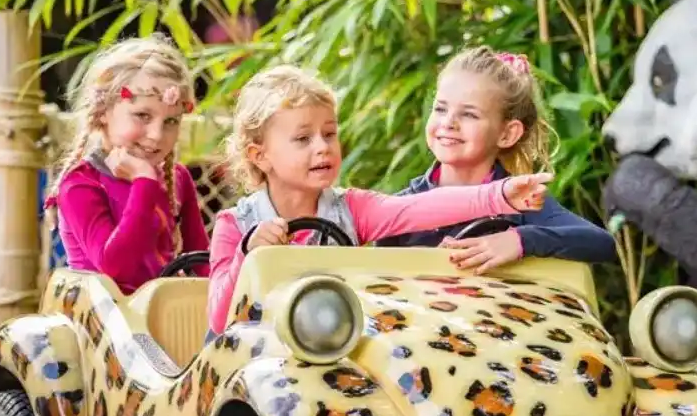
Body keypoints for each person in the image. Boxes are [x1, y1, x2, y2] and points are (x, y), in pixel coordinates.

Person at [206, 65, 553, 335]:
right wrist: (247, 252)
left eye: (329, 134)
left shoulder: (351, 209)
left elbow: (419, 208)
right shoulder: (236, 225)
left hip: (329, 352)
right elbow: (219, 319)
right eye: (302, 138)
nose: (322, 147)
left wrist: (500, 194)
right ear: (260, 155)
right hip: (255, 359)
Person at [377, 46, 617, 272]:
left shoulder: (518, 201)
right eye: (440, 109)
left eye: (469, 114)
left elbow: (602, 243)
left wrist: (520, 240)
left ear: (507, 134)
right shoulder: (403, 206)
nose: (448, 122)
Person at [44, 35, 209, 295]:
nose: (156, 134)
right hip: (103, 325)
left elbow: (202, 264)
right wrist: (144, 183)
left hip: (163, 316)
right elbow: (116, 268)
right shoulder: (80, 184)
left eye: (170, 122)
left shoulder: (178, 178)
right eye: (142, 115)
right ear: (103, 112)